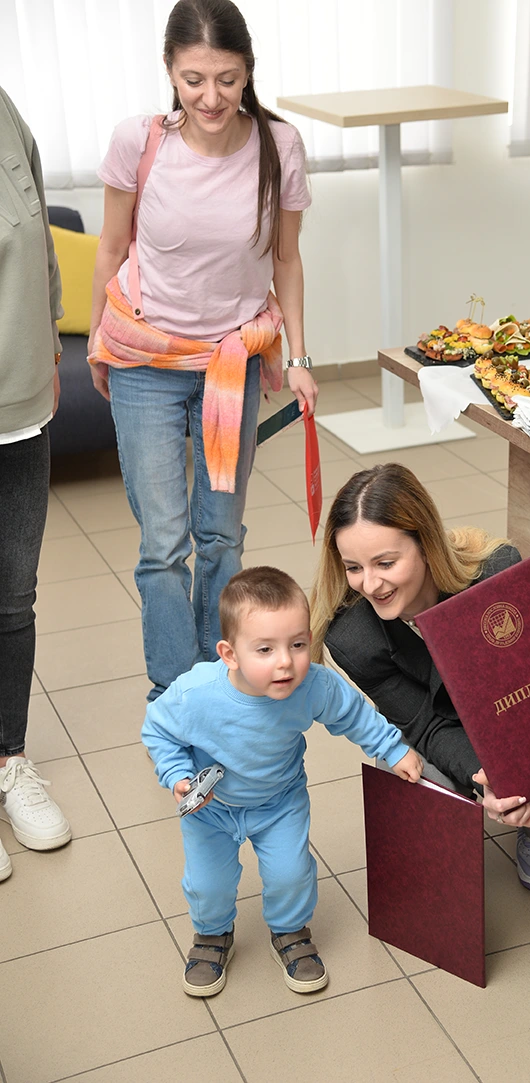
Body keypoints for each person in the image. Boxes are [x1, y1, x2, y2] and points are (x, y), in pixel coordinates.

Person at [88, 0, 318, 701]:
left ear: (248, 71)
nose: (211, 97)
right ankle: (175, 690)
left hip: (231, 362)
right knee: (163, 543)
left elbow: (286, 260)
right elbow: (112, 247)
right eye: (193, 80)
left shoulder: (279, 146)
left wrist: (299, 358)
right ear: (169, 70)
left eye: (227, 79)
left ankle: (217, 677)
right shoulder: (140, 142)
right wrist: (99, 340)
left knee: (220, 536)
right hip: (145, 360)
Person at [310, 463, 530, 892]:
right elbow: (424, 724)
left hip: (508, 718)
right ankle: (452, 832)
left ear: (425, 543)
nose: (370, 584)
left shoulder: (495, 571)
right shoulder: (352, 636)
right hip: (440, 725)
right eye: (353, 567)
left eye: (385, 563)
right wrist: (486, 778)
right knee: (405, 772)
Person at [142, 566, 422, 996]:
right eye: (265, 649)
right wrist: (177, 775)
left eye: (297, 644)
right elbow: (158, 731)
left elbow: (353, 714)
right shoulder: (194, 695)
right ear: (230, 654)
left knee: (291, 875)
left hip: (280, 802)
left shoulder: (312, 685)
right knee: (207, 884)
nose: (285, 662)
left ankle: (290, 930)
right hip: (212, 810)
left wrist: (393, 748)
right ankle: (212, 934)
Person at [0, 87, 71, 879]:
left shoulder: (4, 109)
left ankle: (8, 759)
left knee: (12, 598)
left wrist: (51, 337)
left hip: (19, 401)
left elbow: (40, 235)